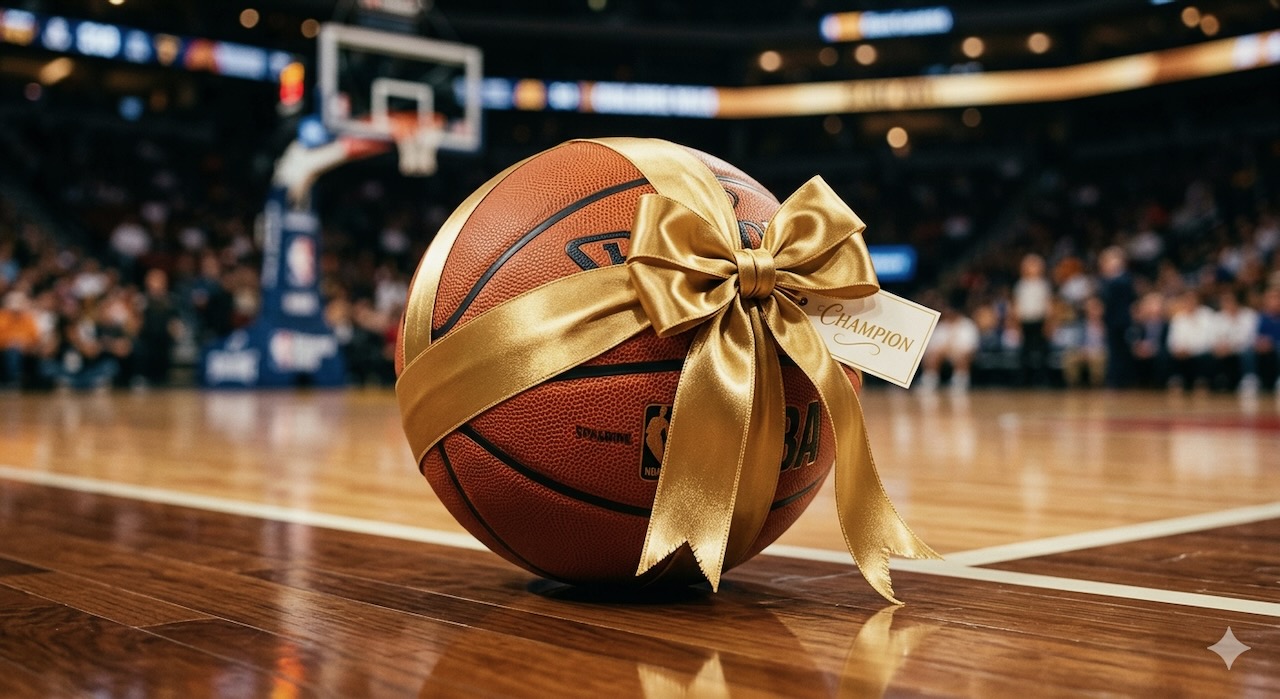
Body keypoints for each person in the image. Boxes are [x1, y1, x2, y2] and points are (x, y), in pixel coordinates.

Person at [1098, 246, 1137, 388]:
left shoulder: (1122, 279)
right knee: (1114, 351)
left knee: (1121, 351)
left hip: (1121, 321)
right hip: (1111, 321)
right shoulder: (1108, 280)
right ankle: (1115, 380)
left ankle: (1121, 380)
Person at [920, 305, 980, 393]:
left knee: (963, 355)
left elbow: (971, 346)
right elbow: (932, 345)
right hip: (943, 353)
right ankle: (930, 380)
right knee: (933, 355)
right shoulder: (941, 326)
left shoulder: (967, 325)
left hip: (961, 352)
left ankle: (960, 382)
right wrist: (943, 350)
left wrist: (953, 349)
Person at [1013, 254, 1052, 386]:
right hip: (1026, 321)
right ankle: (1024, 379)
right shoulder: (1021, 285)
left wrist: (1048, 322)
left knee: (1042, 352)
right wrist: (1017, 323)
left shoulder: (1043, 285)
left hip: (1039, 321)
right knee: (1025, 352)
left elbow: (1047, 305)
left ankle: (1042, 379)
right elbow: (1017, 305)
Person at [1210, 289, 1258, 393]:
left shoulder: (1249, 315)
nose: (1226, 303)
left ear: (1237, 301)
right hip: (1223, 350)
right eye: (1224, 301)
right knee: (1211, 354)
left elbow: (1249, 337)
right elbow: (1214, 336)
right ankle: (1218, 381)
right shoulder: (1218, 317)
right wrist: (1220, 346)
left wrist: (1230, 346)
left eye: (1229, 300)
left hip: (1244, 349)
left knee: (1247, 352)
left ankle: (1249, 378)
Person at [1165, 290, 1214, 392]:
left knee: (1206, 357)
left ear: (1198, 301)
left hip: (1200, 353)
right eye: (1187, 300)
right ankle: (1177, 379)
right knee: (1167, 355)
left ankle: (1201, 380)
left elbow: (1209, 339)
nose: (1189, 302)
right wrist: (1179, 348)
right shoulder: (1179, 317)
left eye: (1192, 299)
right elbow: (1172, 340)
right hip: (1182, 353)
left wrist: (1191, 349)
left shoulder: (1207, 315)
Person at [1058, 297, 1108, 388]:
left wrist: (1093, 351)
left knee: (1098, 359)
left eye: (1095, 308)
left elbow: (1108, 344)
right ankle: (1073, 385)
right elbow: (1076, 341)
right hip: (1083, 350)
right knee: (1069, 357)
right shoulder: (1081, 324)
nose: (1093, 311)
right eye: (1090, 308)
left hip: (1099, 351)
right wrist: (1081, 350)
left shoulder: (1106, 325)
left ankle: (1097, 385)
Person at [0, 290, 40, 388]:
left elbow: (34, 337)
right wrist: (9, 342)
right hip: (5, 350)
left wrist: (23, 343)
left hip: (25, 350)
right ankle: (12, 380)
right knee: (13, 353)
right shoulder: (2, 317)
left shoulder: (28, 318)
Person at [1129, 292, 1169, 388]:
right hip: (1142, 353)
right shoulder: (1139, 324)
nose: (1153, 308)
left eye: (1155, 305)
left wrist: (1154, 349)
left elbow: (1168, 343)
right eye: (1150, 305)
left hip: (1160, 352)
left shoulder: (1167, 324)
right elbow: (1133, 339)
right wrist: (1138, 347)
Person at [1253, 287, 1280, 391]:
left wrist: (1271, 342)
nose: (1274, 301)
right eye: (1270, 299)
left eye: (1276, 298)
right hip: (1266, 347)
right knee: (1249, 351)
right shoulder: (1263, 317)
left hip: (1277, 345)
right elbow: (1258, 335)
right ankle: (1252, 377)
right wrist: (1261, 342)